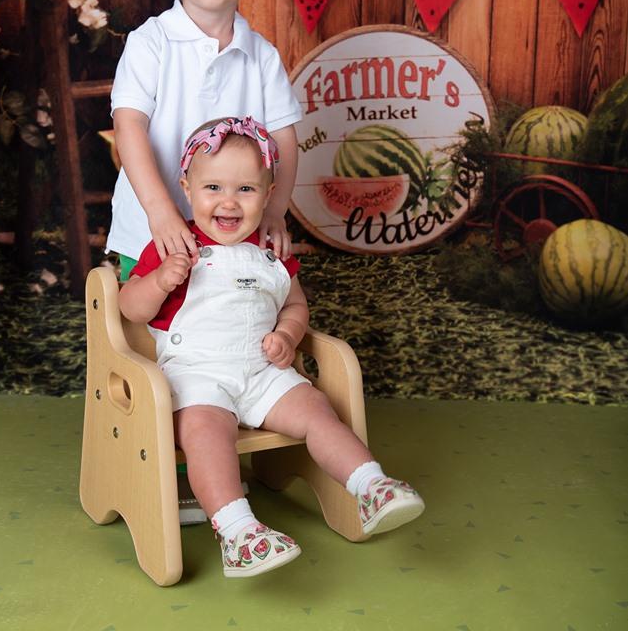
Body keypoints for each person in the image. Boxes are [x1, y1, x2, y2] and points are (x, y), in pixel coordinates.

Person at [119, 117, 426, 579]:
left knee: (317, 408)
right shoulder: (174, 245)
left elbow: (295, 305)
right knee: (205, 433)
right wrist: (161, 281)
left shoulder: (272, 251)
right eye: (213, 187)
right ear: (186, 187)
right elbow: (130, 306)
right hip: (197, 376)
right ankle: (239, 533)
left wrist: (286, 335)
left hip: (263, 372)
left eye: (245, 189)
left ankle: (370, 486)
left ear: (267, 194)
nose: (228, 201)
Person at [107, 0, 302, 279]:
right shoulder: (151, 42)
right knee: (151, 324)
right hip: (153, 229)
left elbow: (284, 139)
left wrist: (275, 211)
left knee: (231, 322)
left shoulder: (262, 56)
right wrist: (160, 211)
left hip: (233, 225)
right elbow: (128, 127)